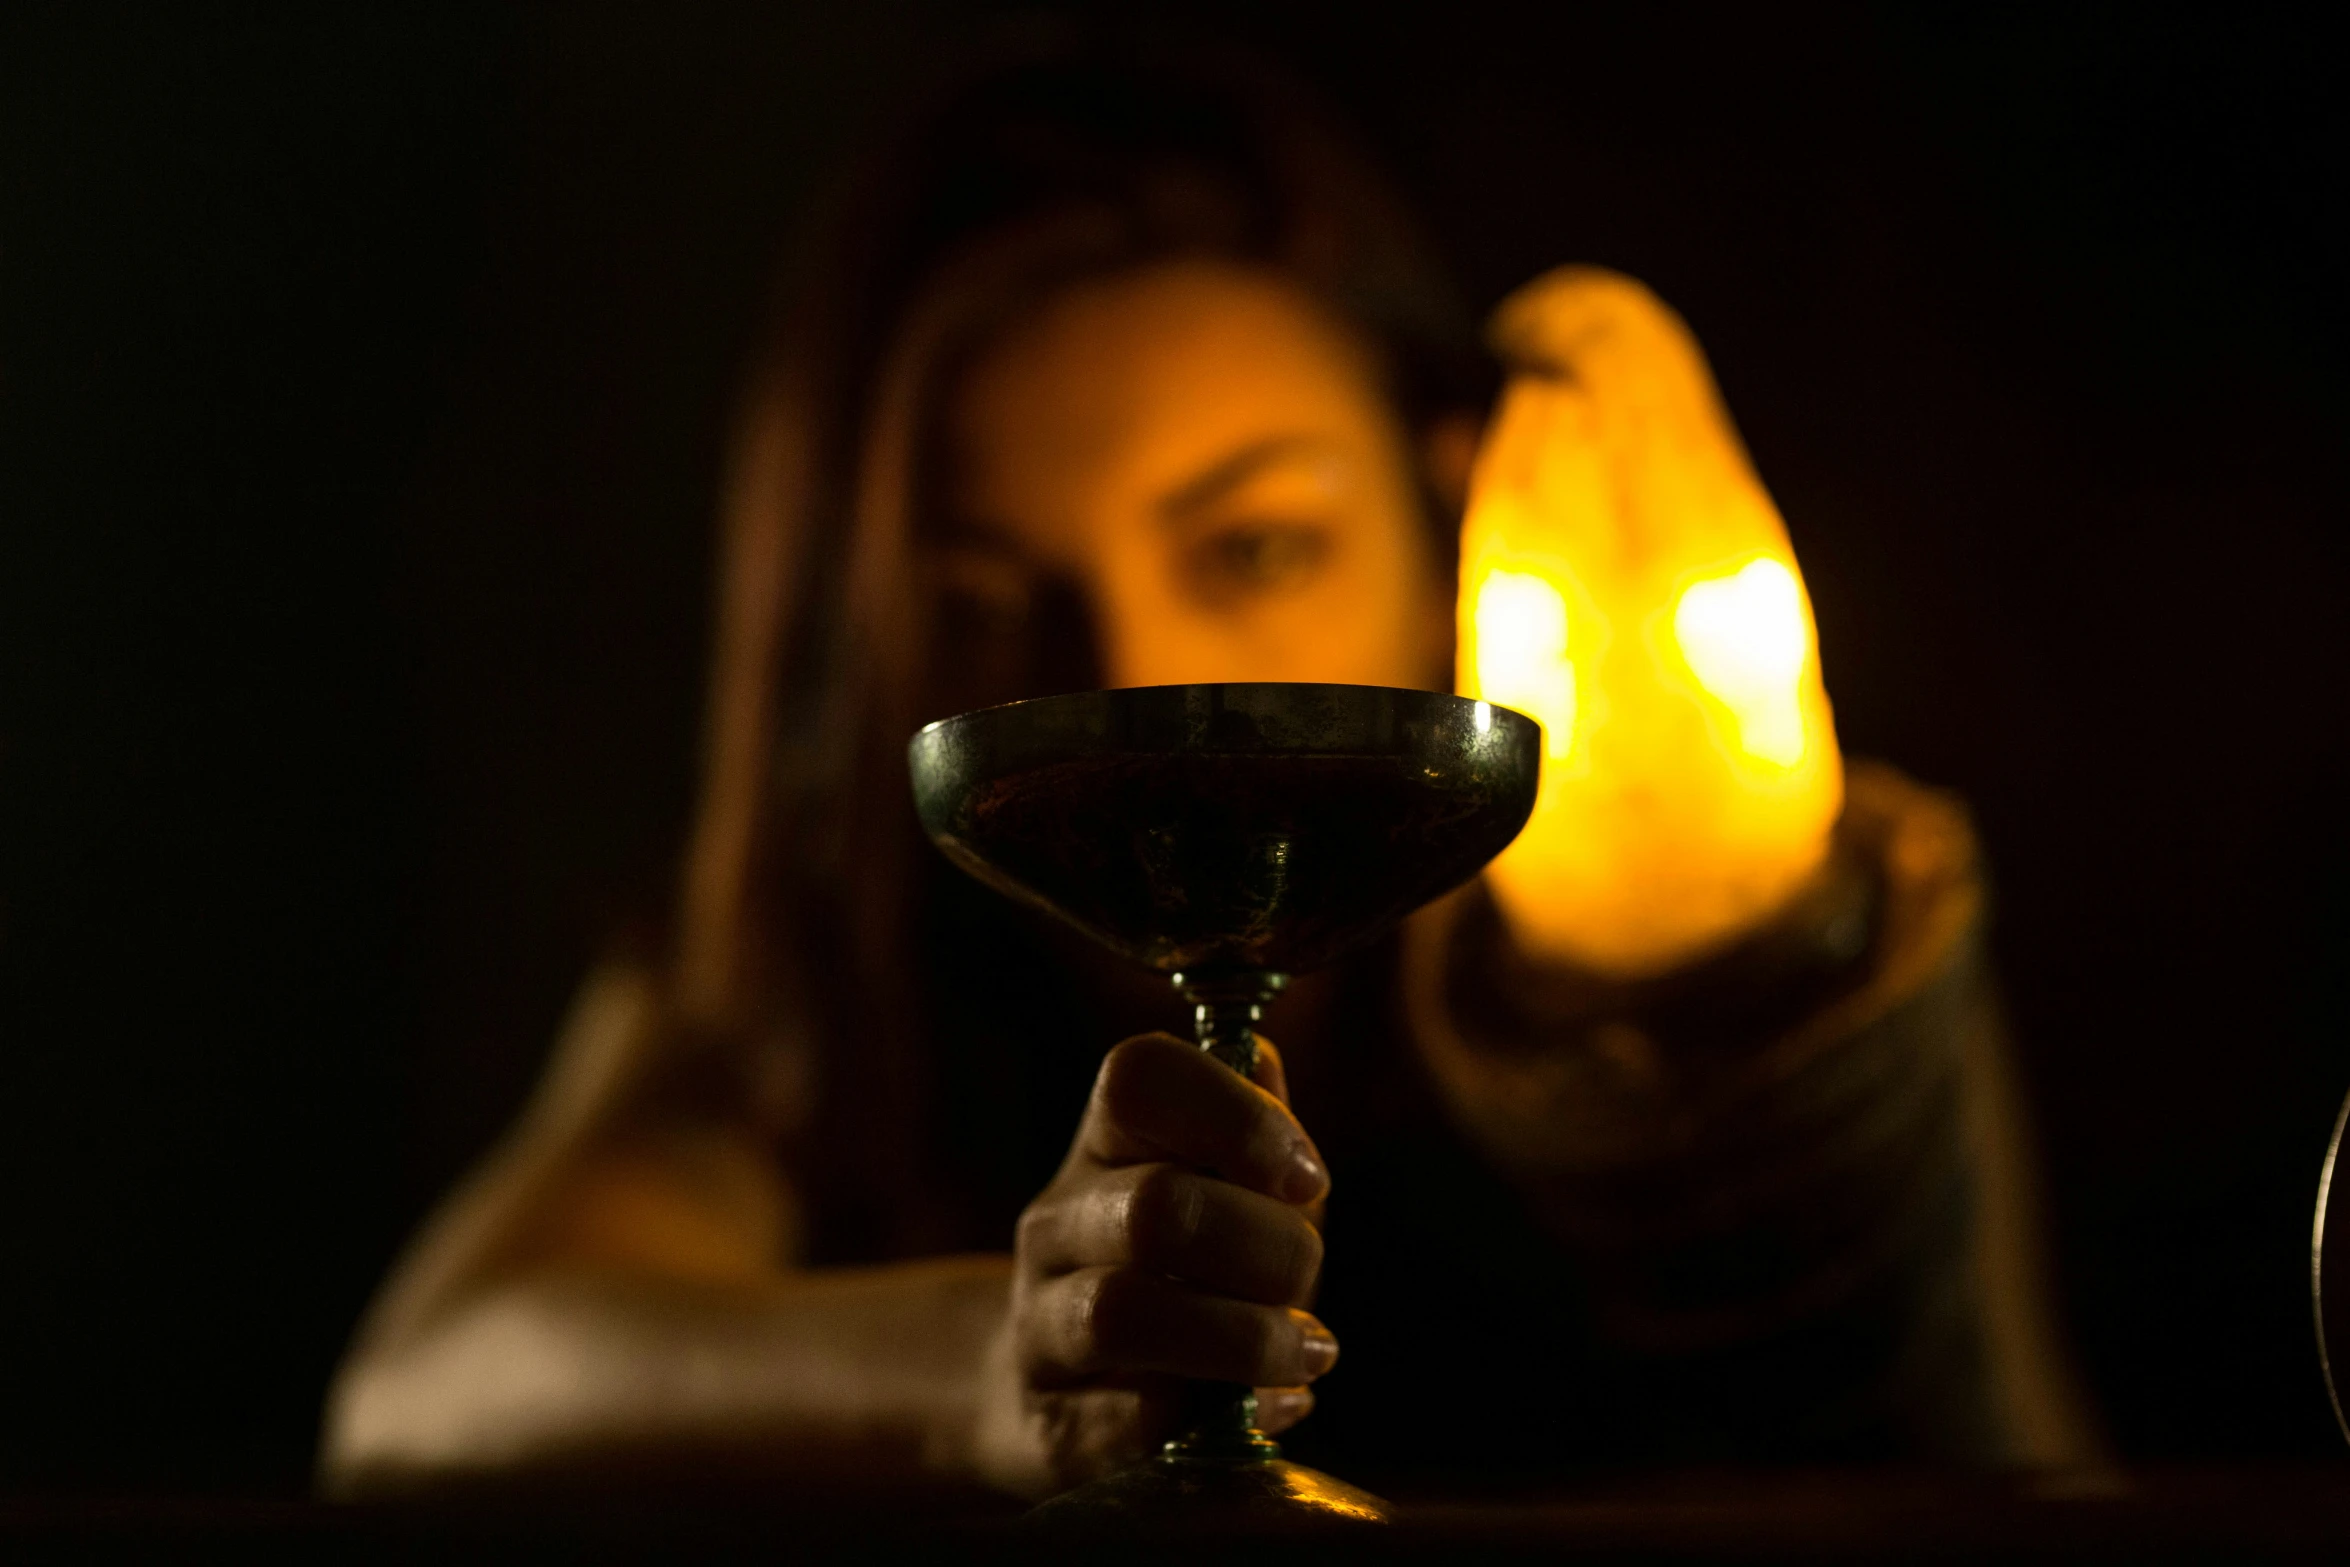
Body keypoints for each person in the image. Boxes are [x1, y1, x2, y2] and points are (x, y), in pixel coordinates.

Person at [321, 35, 2101, 1504]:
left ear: (1451, 513)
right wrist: (992, 1368)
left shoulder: (1741, 944)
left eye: (1252, 549)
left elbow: (2005, 1478)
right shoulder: (826, 984)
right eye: (994, 608)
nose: (1140, 683)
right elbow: (432, 1381)